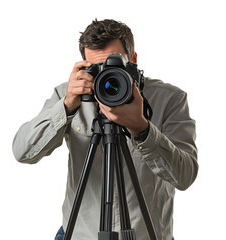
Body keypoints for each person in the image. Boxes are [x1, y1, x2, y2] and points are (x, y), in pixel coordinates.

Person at [12, 19, 198, 240]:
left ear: (133, 59)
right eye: (96, 68)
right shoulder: (70, 94)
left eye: (114, 66)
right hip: (81, 234)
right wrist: (66, 106)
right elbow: (22, 152)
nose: (105, 78)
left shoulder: (169, 99)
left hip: (146, 234)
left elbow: (185, 176)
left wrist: (142, 128)